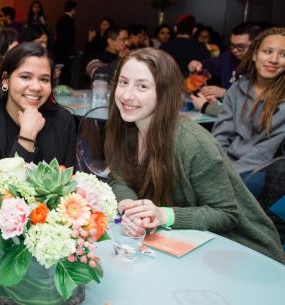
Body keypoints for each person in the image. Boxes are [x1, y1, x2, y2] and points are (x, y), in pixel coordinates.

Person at [104, 47, 284, 263]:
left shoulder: (192, 142)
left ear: (164, 93)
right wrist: (130, 207)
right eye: (123, 82)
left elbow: (227, 214)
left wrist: (164, 215)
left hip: (242, 252)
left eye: (142, 86)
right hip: (181, 245)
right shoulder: (126, 127)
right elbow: (119, 177)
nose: (126, 95)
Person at [0, 42, 76, 173]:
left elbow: (69, 181)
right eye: (25, 77)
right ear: (5, 80)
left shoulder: (63, 120)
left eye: (44, 79)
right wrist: (27, 138)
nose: (36, 87)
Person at [212, 27, 285, 176]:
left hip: (262, 173)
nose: (274, 60)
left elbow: (265, 152)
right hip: (225, 165)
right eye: (268, 51)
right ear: (254, 55)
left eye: (283, 55)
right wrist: (219, 168)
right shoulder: (238, 87)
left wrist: (230, 176)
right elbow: (221, 134)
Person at [189, 22, 262, 116]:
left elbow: (253, 104)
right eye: (232, 45)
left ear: (256, 44)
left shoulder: (264, 67)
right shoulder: (228, 57)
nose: (235, 50)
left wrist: (225, 93)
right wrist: (195, 66)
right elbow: (206, 69)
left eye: (241, 47)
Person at [54, 1, 77, 85]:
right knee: (66, 73)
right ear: (73, 9)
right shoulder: (69, 21)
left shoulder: (60, 20)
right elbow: (69, 39)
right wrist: (70, 53)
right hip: (66, 52)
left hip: (59, 50)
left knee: (61, 73)